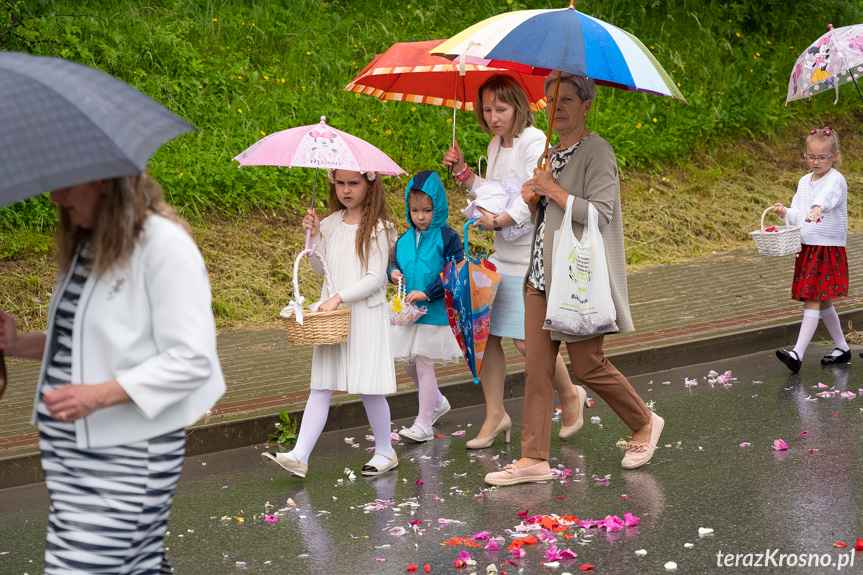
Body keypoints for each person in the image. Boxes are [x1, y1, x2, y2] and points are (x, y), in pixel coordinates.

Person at [0, 174, 226, 574]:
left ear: (103, 179)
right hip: (75, 455)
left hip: (128, 455)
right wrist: (16, 344)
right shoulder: (91, 242)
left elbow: (192, 359)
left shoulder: (164, 245)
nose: (55, 195)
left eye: (65, 182)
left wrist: (96, 395)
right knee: (137, 566)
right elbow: (87, 343)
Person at [485, 72, 663, 486]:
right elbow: (549, 221)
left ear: (586, 105)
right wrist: (534, 201)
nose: (557, 107)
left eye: (566, 99)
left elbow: (601, 214)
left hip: (575, 281)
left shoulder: (597, 152)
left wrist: (554, 190)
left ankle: (644, 421)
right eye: (551, 100)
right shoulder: (552, 153)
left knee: (586, 366)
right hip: (540, 277)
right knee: (537, 366)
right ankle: (533, 458)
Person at [442, 74, 588, 450]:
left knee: (527, 345)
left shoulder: (534, 142)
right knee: (487, 335)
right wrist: (463, 174)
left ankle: (571, 396)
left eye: (501, 109)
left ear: (519, 107)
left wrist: (498, 222)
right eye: (487, 109)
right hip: (500, 257)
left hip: (530, 258)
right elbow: (494, 193)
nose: (493, 116)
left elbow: (531, 198)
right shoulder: (494, 144)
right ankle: (495, 415)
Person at [262, 168, 399, 477]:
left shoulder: (377, 227)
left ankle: (385, 450)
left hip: (363, 313)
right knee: (321, 385)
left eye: (354, 183)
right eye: (340, 183)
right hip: (333, 317)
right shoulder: (331, 223)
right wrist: (311, 236)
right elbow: (320, 268)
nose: (346, 190)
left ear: (369, 184)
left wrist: (339, 297)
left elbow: (376, 279)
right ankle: (300, 455)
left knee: (368, 387)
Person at [389, 170, 464, 442]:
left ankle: (424, 423)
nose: (420, 216)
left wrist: (429, 292)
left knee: (423, 364)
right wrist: (393, 273)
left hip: (435, 312)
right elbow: (394, 262)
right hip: (410, 314)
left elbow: (455, 269)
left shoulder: (447, 236)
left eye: (427, 210)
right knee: (409, 362)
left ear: (439, 207)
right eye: (415, 210)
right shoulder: (404, 238)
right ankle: (438, 401)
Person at [774, 127, 849, 372]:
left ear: (835, 156)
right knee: (823, 300)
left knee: (812, 299)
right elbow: (798, 213)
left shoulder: (836, 179)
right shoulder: (804, 181)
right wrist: (786, 213)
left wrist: (818, 207)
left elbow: (829, 197)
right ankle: (842, 348)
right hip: (809, 247)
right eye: (810, 156)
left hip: (827, 249)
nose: (815, 162)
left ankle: (797, 353)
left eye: (822, 157)